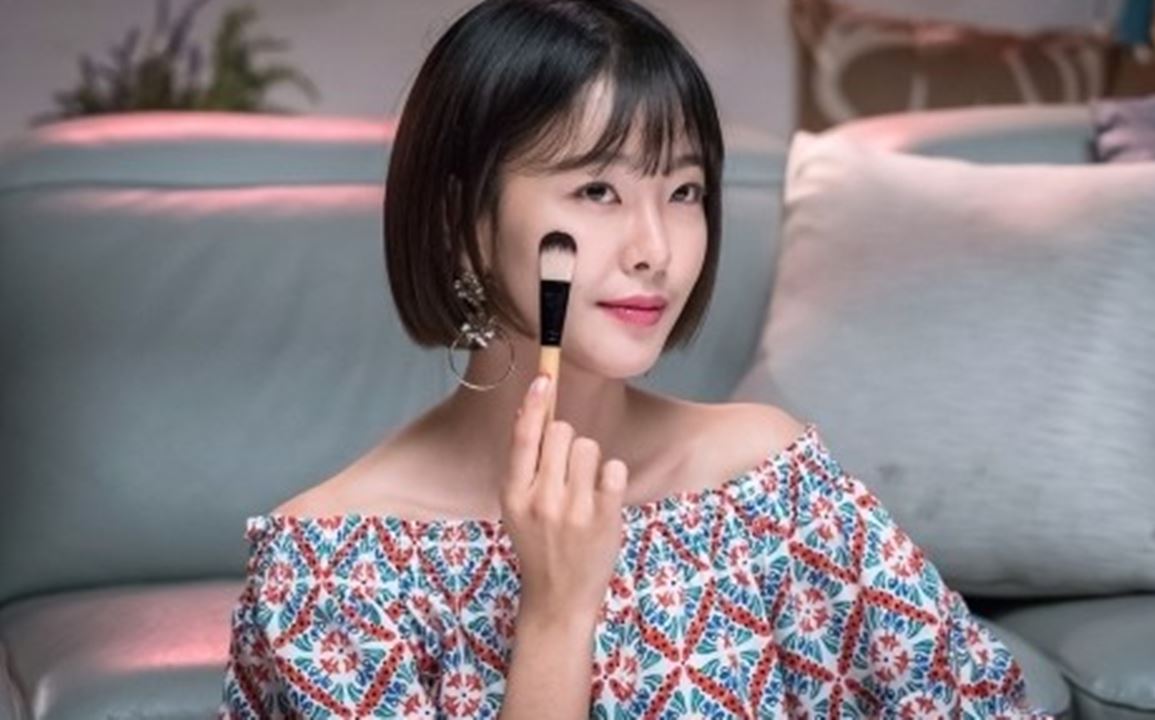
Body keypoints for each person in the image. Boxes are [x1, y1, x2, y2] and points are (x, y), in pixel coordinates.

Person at [219, 0, 1052, 717]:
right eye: (598, 192)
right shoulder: (329, 572)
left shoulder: (770, 485)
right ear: (461, 222)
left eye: (684, 191)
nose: (656, 248)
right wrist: (555, 615)